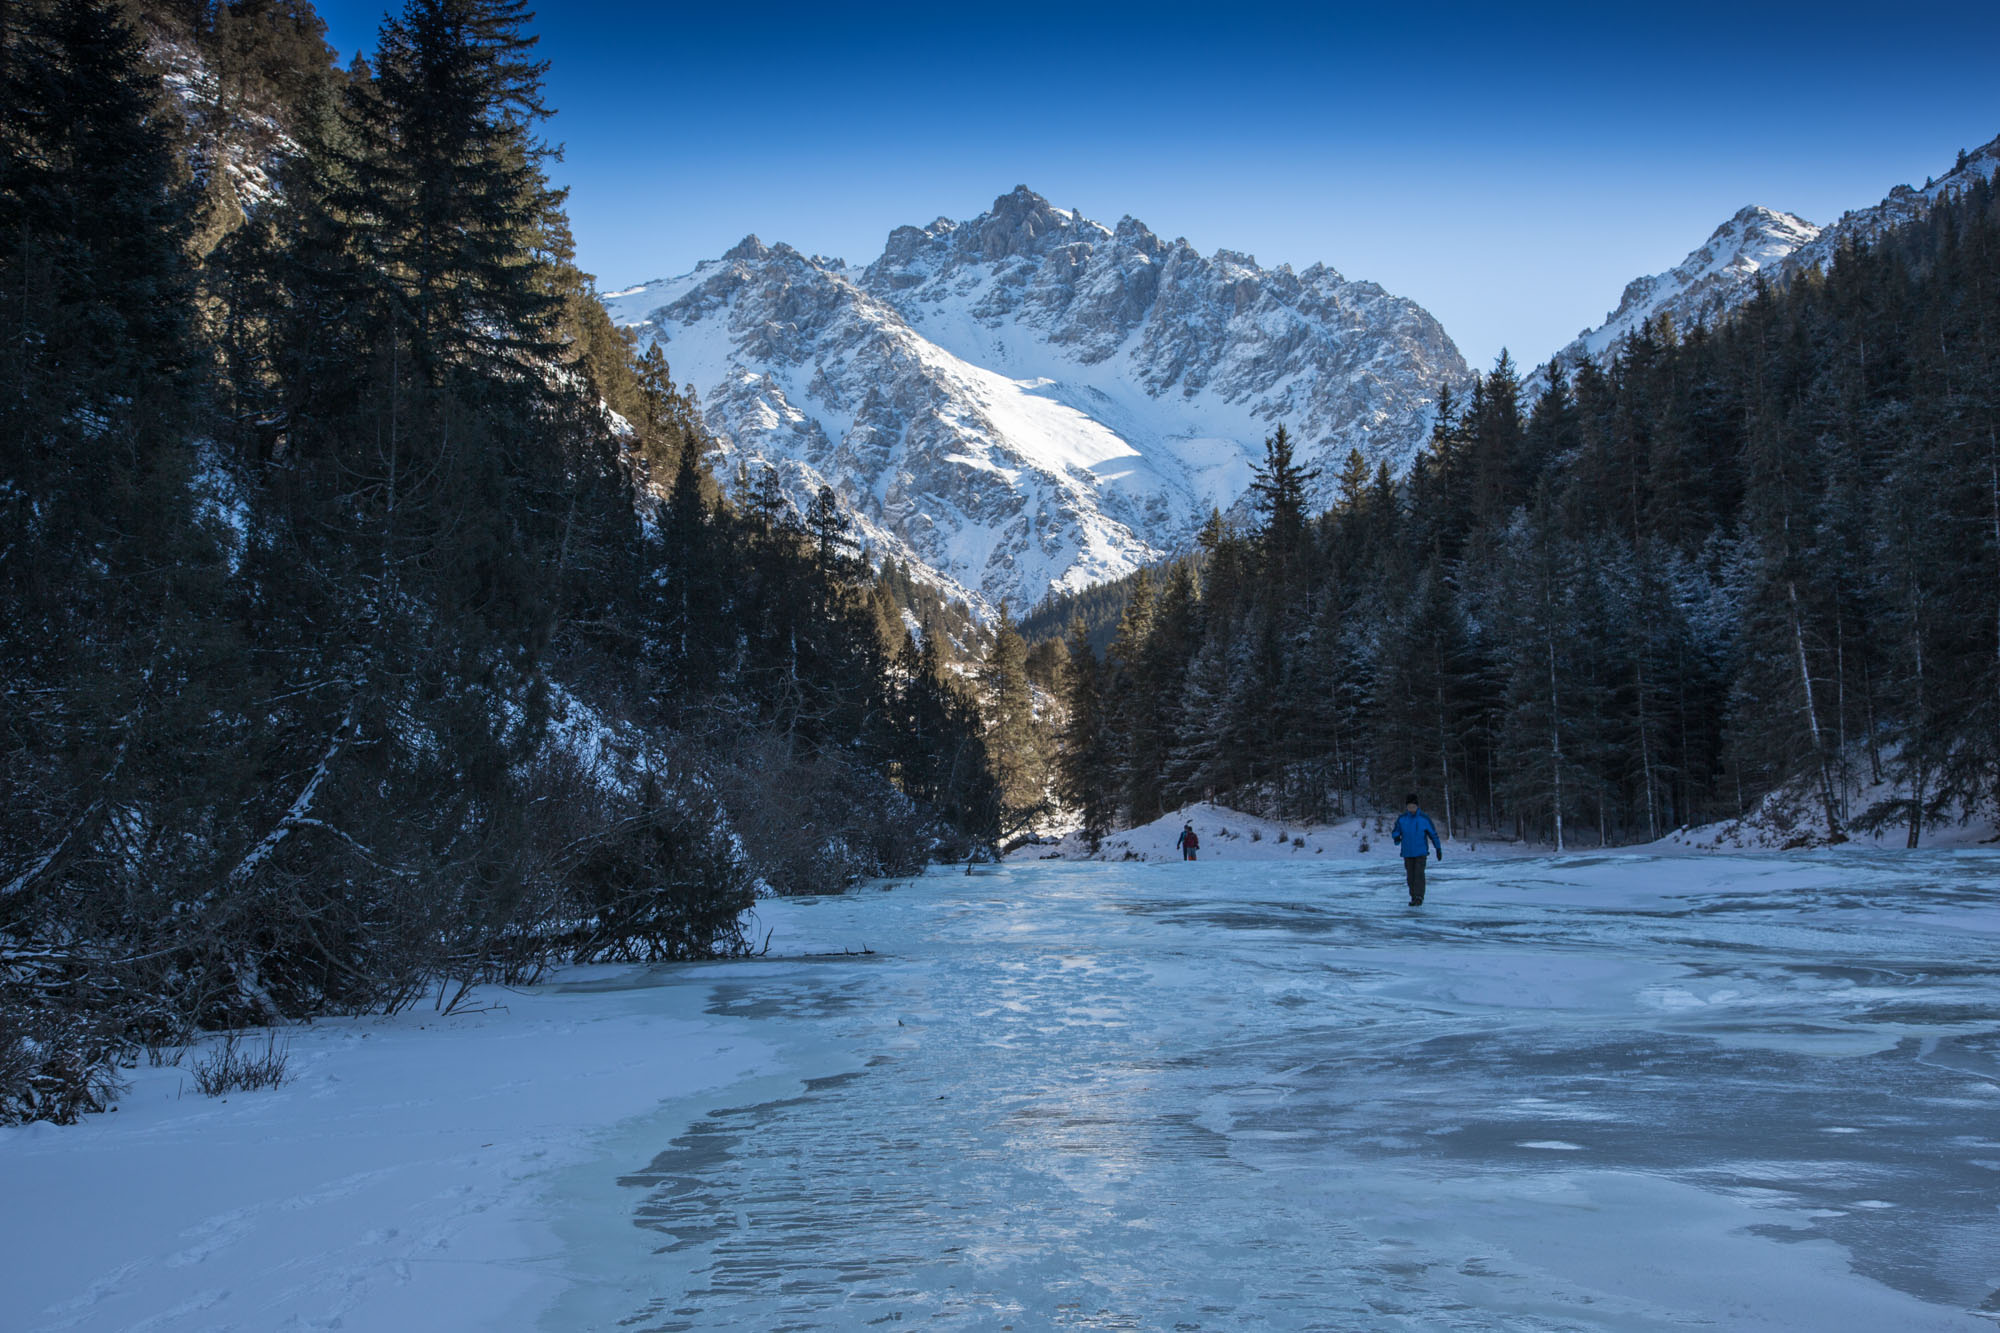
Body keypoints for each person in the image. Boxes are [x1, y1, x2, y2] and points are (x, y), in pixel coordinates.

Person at [1391, 794, 1441, 905]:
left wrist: (1438, 848)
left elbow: (1433, 834)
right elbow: (1396, 831)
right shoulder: (1402, 819)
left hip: (1420, 852)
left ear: (1417, 806)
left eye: (1413, 806)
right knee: (1410, 877)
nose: (1411, 809)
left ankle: (1419, 897)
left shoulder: (1424, 819)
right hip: (1407, 852)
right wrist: (1396, 837)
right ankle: (1413, 896)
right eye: (1409, 807)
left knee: (1419, 875)